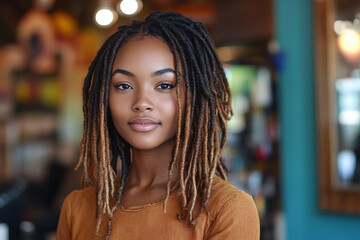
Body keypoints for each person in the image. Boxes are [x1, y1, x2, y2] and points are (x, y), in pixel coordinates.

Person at [56, 11, 260, 240]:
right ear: (104, 99)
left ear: (195, 96)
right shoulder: (76, 209)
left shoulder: (226, 209)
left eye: (164, 85)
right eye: (124, 86)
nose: (142, 103)